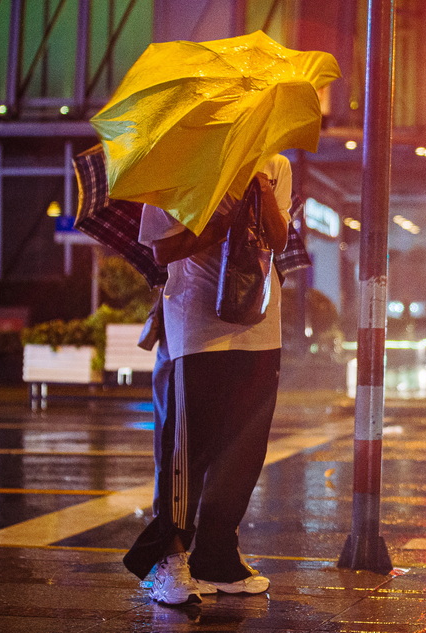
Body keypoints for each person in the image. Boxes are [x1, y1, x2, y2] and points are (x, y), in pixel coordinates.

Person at [123, 154, 292, 606]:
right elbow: (162, 249)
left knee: (243, 449)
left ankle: (217, 556)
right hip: (195, 327)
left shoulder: (274, 164)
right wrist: (222, 217)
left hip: (259, 324)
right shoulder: (178, 164)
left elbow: (279, 240)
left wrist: (261, 192)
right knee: (184, 452)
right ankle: (170, 559)